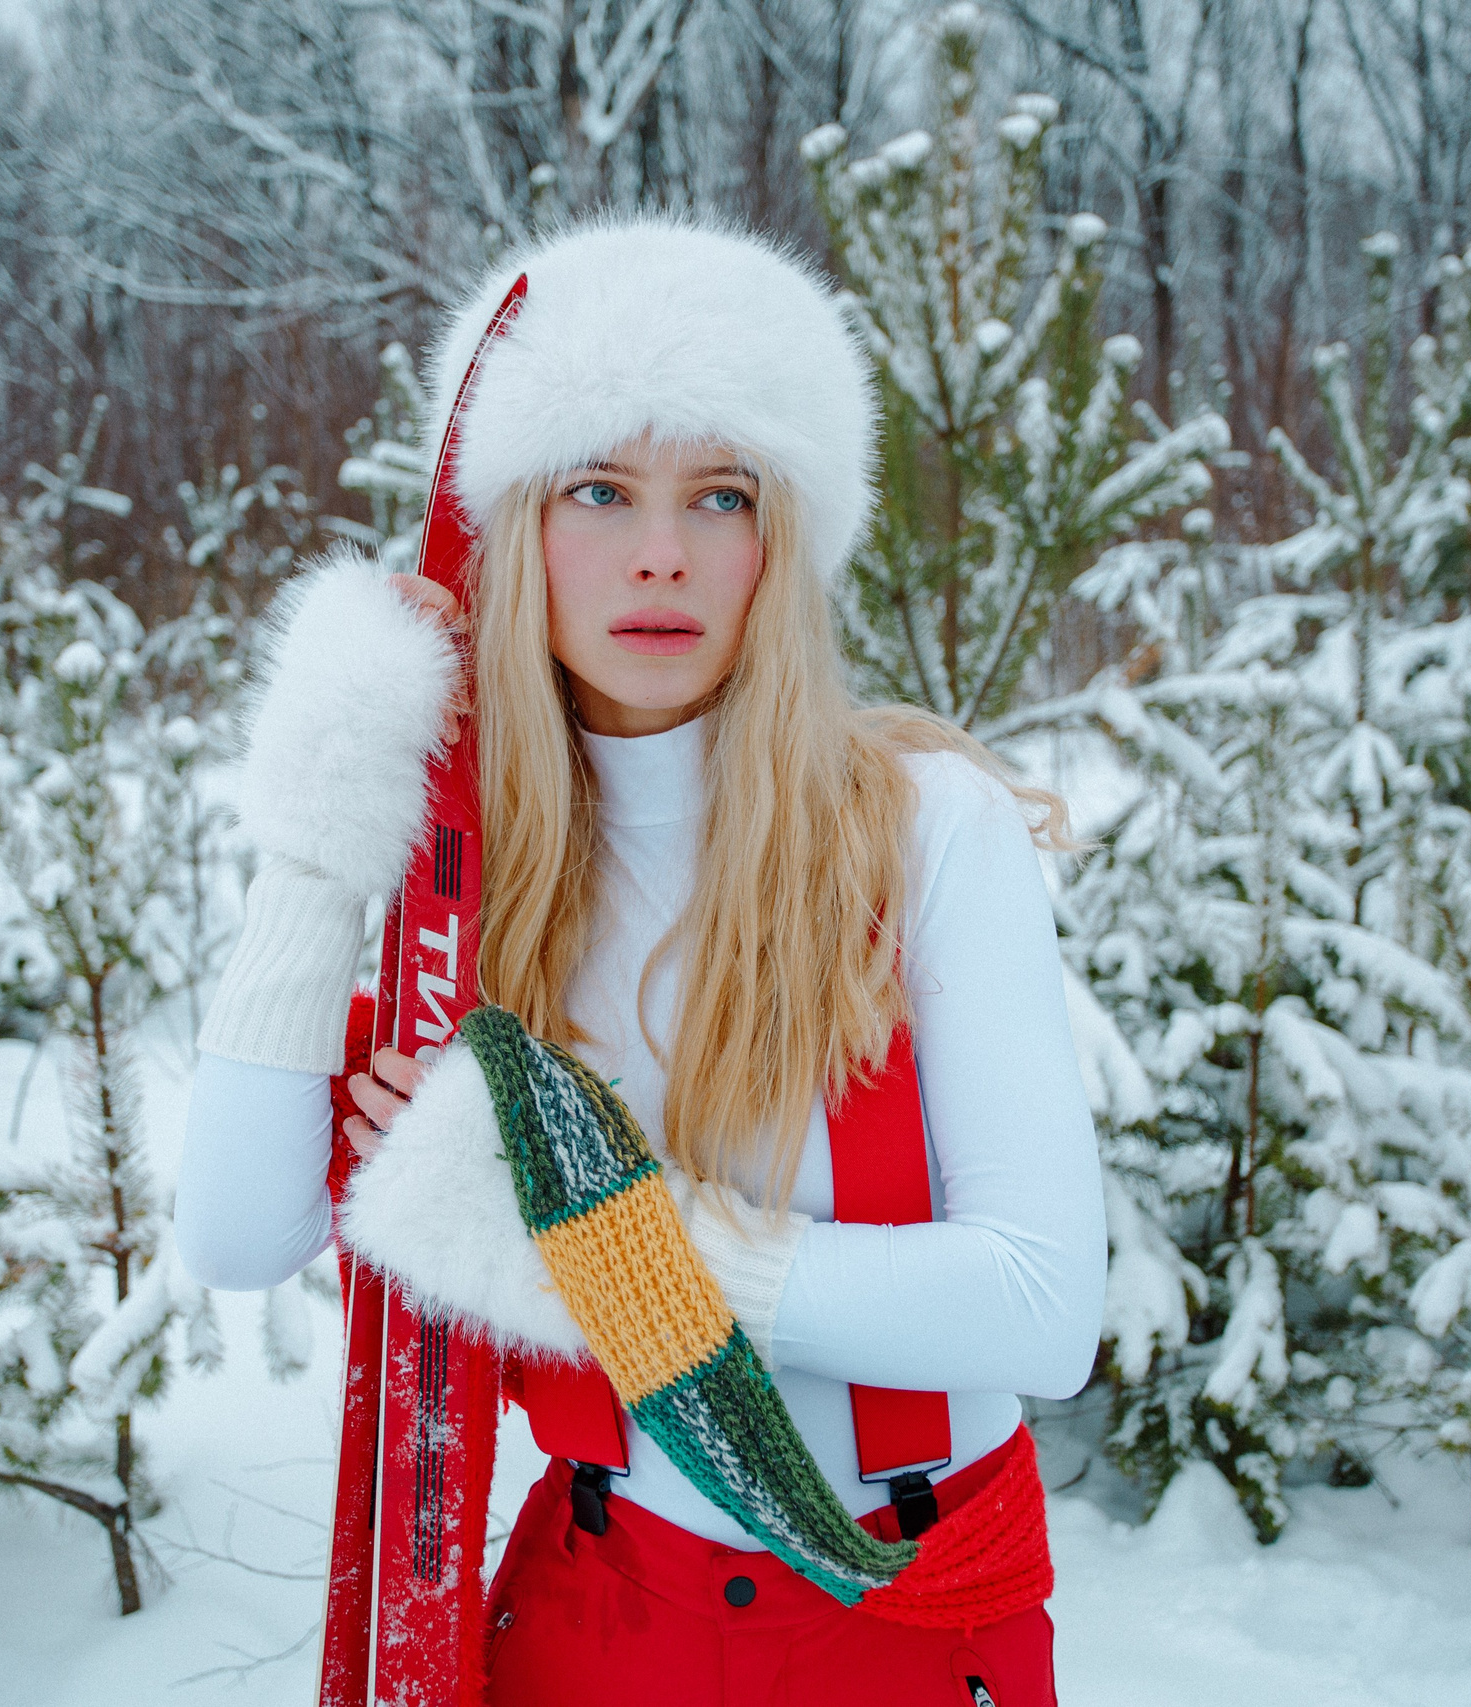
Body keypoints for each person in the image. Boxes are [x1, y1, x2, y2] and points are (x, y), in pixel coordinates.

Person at [175, 214, 1106, 1707]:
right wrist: (319, 831)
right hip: (595, 1619)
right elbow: (233, 1234)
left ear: (777, 541)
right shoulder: (464, 888)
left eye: (721, 495)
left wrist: (594, 1230)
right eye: (600, 489)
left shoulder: (928, 833)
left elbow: (1041, 1310)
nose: (662, 551)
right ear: (516, 531)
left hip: (903, 1617)